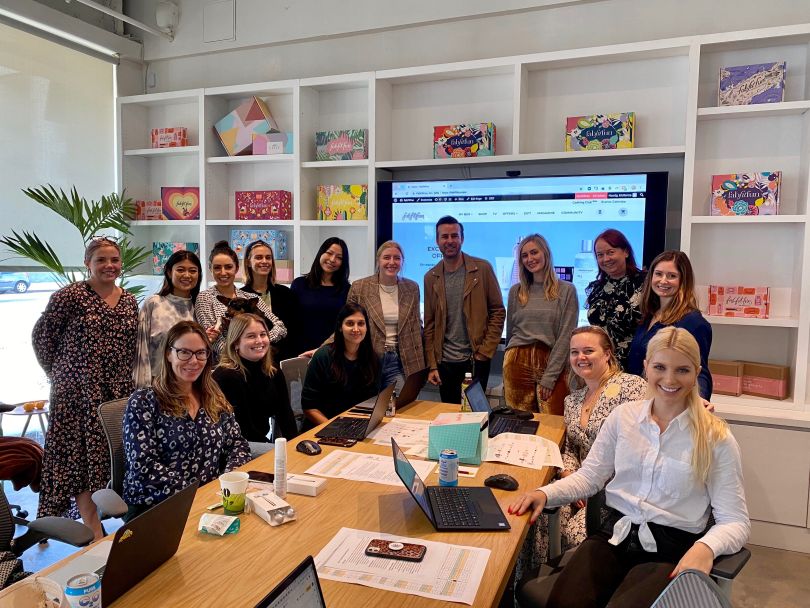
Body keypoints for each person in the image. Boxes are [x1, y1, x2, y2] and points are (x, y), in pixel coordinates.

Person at [509, 327, 749, 607]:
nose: (669, 379)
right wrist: (544, 493)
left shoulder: (715, 438)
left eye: (682, 370)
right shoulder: (624, 418)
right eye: (660, 367)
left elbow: (735, 521)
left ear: (697, 372)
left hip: (671, 551)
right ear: (646, 367)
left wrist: (706, 548)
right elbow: (590, 477)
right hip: (614, 535)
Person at [519, 326, 647, 577]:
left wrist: (593, 487)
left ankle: (575, 587)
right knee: (535, 517)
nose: (581, 357)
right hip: (579, 483)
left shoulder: (631, 387)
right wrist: (568, 474)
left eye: (589, 351)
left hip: (613, 492)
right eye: (574, 352)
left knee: (574, 534)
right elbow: (570, 449)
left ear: (607, 354)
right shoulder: (573, 400)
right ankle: (534, 584)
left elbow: (642, 445)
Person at [32, 237, 138, 539]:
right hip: (77, 394)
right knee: (82, 460)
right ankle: (92, 529)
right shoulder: (69, 296)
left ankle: (105, 518)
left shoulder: (129, 300)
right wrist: (62, 373)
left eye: (114, 260)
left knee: (108, 459)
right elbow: (42, 338)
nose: (109, 266)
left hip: (117, 391)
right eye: (101, 260)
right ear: (87, 263)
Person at [123, 321, 251, 517]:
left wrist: (229, 481)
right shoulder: (143, 402)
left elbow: (237, 444)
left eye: (201, 353)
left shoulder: (213, 397)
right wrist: (196, 494)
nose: (194, 361)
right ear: (168, 354)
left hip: (210, 502)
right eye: (184, 352)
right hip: (155, 507)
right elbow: (144, 467)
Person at [424, 215, 505, 404]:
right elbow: (429, 325)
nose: (450, 241)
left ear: (462, 238)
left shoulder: (482, 269)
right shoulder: (431, 277)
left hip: (476, 361)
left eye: (454, 235)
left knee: (476, 414)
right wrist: (432, 365)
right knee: (449, 415)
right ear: (437, 241)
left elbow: (498, 311)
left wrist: (485, 352)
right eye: (445, 236)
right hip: (445, 364)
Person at [504, 234, 578, 414]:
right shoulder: (516, 291)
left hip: (551, 361)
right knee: (518, 422)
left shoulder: (566, 290)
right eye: (524, 255)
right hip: (516, 361)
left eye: (534, 252)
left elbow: (566, 336)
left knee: (554, 421)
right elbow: (511, 332)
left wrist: (550, 376)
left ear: (545, 253)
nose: (530, 259)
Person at [627, 250, 713, 398]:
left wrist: (700, 402)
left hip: (666, 401)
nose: (663, 281)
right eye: (658, 274)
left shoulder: (693, 322)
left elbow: (700, 372)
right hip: (639, 400)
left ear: (683, 281)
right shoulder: (648, 315)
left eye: (672, 276)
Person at [213, 313, 299, 457]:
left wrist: (295, 445)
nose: (259, 341)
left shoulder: (272, 371)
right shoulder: (226, 376)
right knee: (281, 455)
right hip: (232, 445)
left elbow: (285, 414)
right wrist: (283, 452)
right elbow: (240, 430)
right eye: (251, 336)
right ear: (236, 343)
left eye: (263, 334)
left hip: (259, 441)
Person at [341, 240, 424, 388]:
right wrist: (322, 348)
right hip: (368, 360)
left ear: (402, 261)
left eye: (397, 258)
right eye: (386, 257)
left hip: (400, 361)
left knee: (400, 402)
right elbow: (346, 323)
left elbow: (417, 326)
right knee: (367, 401)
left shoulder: (412, 288)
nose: (392, 262)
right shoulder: (360, 287)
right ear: (378, 260)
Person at [194, 240, 286, 355]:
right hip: (226, 362)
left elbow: (281, 327)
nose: (223, 273)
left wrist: (260, 343)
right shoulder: (205, 298)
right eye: (217, 268)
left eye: (228, 267)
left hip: (259, 359)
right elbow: (215, 341)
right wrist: (245, 352)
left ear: (236, 268)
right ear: (210, 269)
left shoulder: (250, 297)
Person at [301, 303, 380, 426]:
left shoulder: (372, 359)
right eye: (350, 323)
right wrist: (333, 428)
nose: (356, 329)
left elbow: (373, 401)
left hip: (355, 426)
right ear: (340, 327)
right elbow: (309, 407)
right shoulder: (323, 357)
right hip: (322, 426)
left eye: (361, 324)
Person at [134, 250, 202, 388]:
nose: (187, 275)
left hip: (192, 386)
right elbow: (142, 348)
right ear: (170, 272)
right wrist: (144, 386)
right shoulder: (154, 304)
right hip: (157, 384)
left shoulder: (200, 307)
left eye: (193, 271)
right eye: (180, 270)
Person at [585, 229, 647, 370]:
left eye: (610, 252)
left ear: (626, 252)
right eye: (600, 255)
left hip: (635, 365)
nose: (605, 259)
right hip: (601, 365)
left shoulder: (645, 283)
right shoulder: (596, 288)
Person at [290, 237, 351, 354]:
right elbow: (291, 321)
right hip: (300, 351)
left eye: (339, 258)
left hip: (331, 352)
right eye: (329, 253)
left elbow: (344, 325)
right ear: (321, 253)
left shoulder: (347, 290)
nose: (332, 259)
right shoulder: (299, 284)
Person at [241, 239, 298, 362]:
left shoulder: (286, 294)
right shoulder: (241, 297)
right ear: (248, 262)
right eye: (258, 257)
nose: (264, 261)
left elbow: (294, 331)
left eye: (268, 257)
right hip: (252, 361)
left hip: (283, 360)